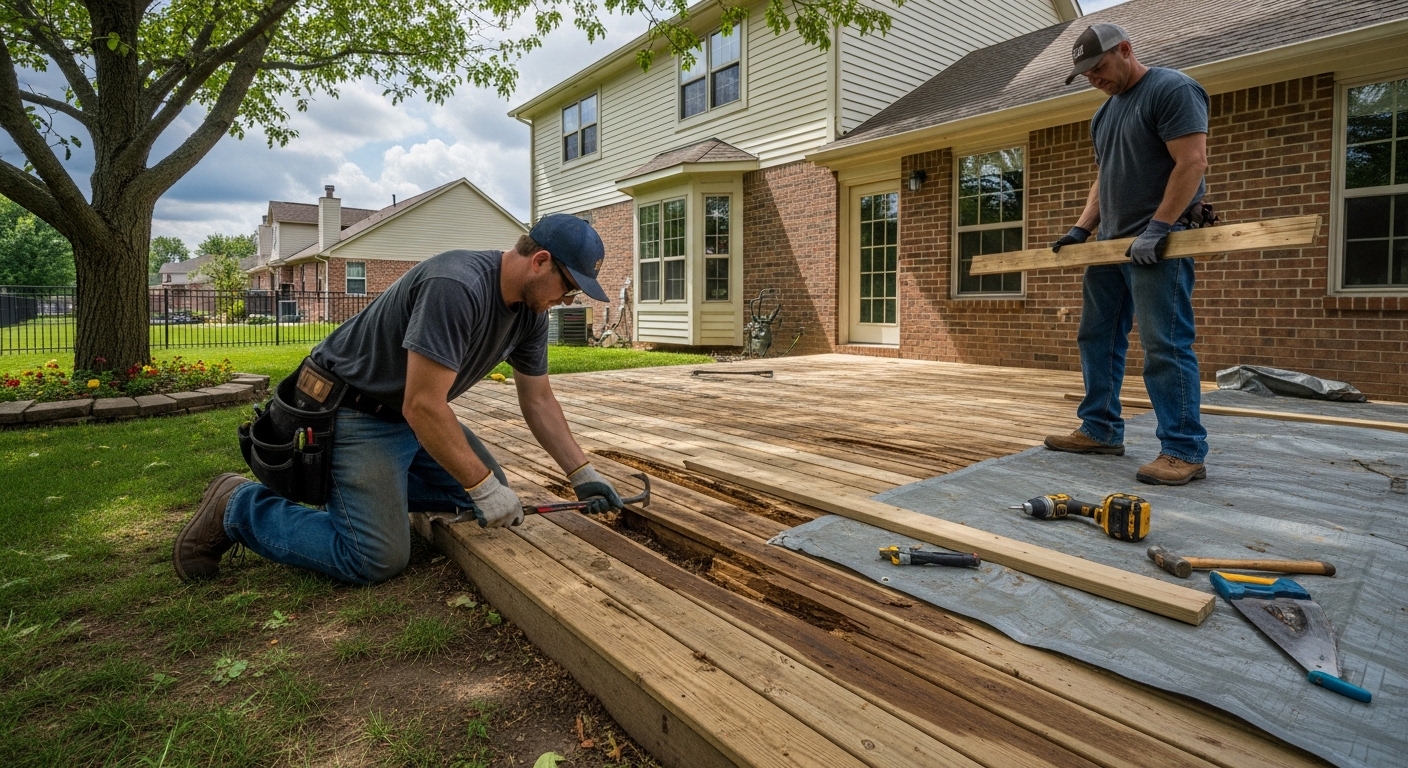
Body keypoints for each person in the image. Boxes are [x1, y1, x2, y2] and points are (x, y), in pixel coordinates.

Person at [172, 213, 625, 583]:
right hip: (349, 412)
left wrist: (580, 472)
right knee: (377, 558)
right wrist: (482, 485)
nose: (568, 300)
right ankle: (239, 506)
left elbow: (539, 400)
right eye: (569, 286)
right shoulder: (458, 285)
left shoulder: (530, 314)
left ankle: (363, 493)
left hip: (403, 418)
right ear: (540, 261)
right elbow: (423, 405)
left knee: (487, 495)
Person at [1043, 23, 1211, 486]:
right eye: (1086, 74)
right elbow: (1106, 178)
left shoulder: (1171, 89)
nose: (1094, 78)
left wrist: (1159, 228)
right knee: (1095, 338)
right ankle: (1100, 428)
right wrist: (1082, 229)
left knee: (1164, 345)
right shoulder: (1104, 114)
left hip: (1158, 243)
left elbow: (1192, 162)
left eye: (1099, 67)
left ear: (1126, 50)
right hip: (1111, 244)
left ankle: (1183, 450)